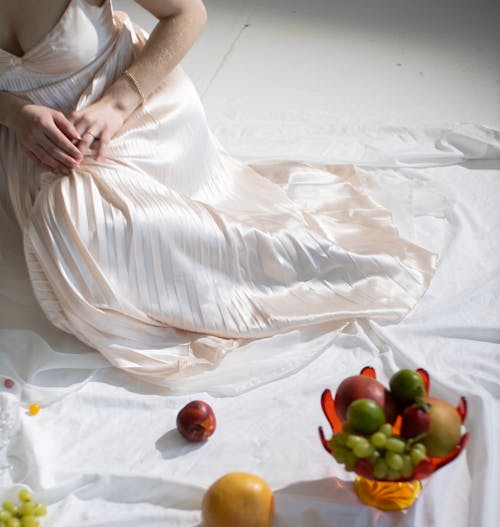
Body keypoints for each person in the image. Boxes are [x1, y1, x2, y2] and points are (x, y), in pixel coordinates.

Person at [0, 0, 436, 385]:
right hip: (30, 136)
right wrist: (17, 114)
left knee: (76, 213)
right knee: (70, 221)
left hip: (131, 107)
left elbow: (188, 13)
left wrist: (116, 102)